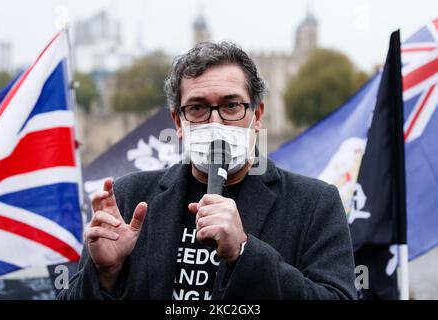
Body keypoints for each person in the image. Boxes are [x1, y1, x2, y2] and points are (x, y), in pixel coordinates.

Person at [58, 41, 356, 300]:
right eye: (198, 108)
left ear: (257, 116)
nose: (215, 123)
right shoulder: (129, 198)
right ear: (178, 122)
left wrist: (244, 251)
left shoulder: (314, 204)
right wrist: (104, 273)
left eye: (231, 106)